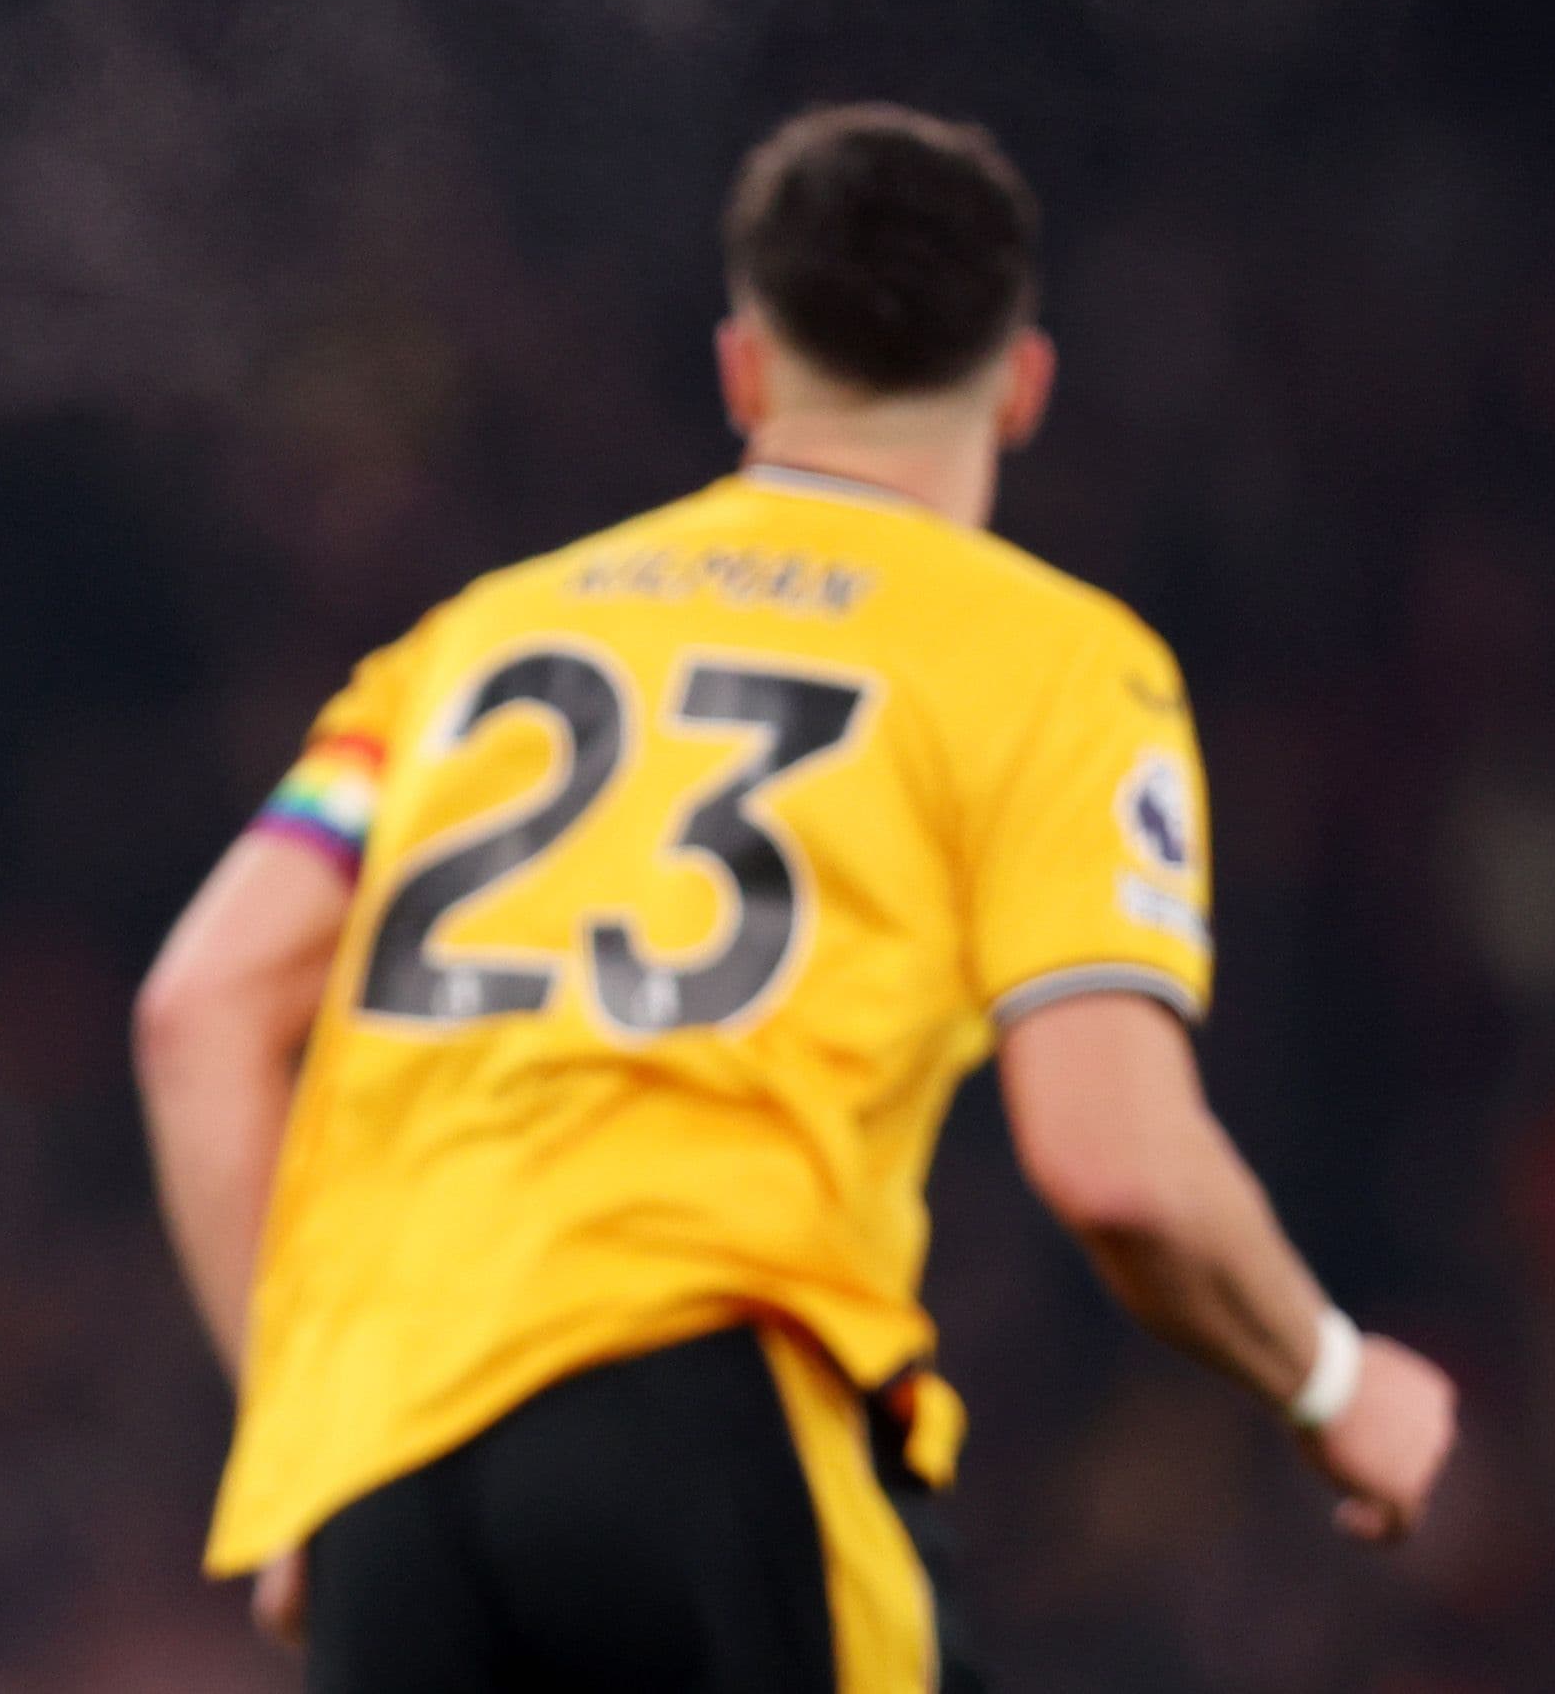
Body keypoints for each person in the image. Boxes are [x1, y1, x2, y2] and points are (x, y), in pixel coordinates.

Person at [134, 104, 1457, 1692]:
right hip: (710, 1402)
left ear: (742, 369)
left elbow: (197, 1009)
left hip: (392, 1462)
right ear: (1022, 383)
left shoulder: (468, 648)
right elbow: (1119, 1164)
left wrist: (310, 1432)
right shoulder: (1052, 658)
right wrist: (1334, 1385)